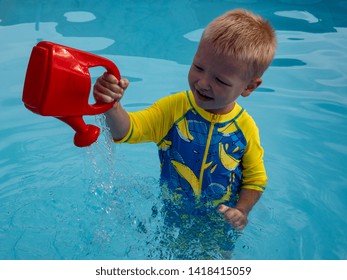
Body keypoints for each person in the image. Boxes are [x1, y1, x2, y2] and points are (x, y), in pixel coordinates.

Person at [93, 9, 276, 252]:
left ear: (249, 86)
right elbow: (127, 130)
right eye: (198, 67)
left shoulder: (245, 128)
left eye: (220, 81)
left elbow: (256, 179)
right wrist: (112, 105)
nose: (202, 82)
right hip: (172, 216)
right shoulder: (174, 110)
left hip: (219, 222)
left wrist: (241, 210)